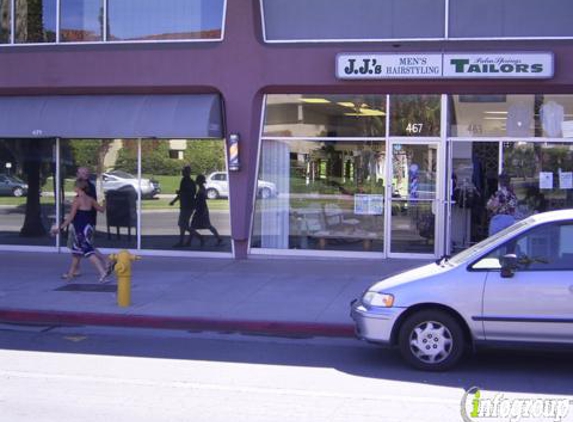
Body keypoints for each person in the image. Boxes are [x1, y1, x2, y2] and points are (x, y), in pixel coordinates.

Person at [52, 180, 109, 282]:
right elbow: (101, 209)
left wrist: (60, 228)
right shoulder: (90, 199)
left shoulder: (77, 200)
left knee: (88, 251)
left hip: (80, 229)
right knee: (76, 252)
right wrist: (105, 202)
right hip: (89, 227)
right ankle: (70, 274)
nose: (74, 189)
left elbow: (71, 217)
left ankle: (103, 272)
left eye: (74, 187)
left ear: (77, 188)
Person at [69, 167, 112, 276]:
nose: (79, 174)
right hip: (84, 222)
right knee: (80, 247)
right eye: (79, 172)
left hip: (84, 223)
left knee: (83, 247)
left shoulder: (87, 188)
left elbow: (90, 205)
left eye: (82, 173)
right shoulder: (84, 187)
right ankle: (74, 271)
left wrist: (61, 227)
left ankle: (104, 263)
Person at [187, 174, 223, 247]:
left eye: (197, 181)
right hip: (201, 209)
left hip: (201, 210)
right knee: (204, 225)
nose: (196, 182)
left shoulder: (201, 190)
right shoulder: (201, 189)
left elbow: (200, 201)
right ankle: (218, 238)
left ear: (200, 182)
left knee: (195, 226)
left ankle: (191, 241)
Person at [170, 165, 197, 247]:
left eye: (183, 171)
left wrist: (175, 199)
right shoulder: (191, 182)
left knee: (181, 224)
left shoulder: (185, 181)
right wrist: (174, 200)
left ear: (187, 172)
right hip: (189, 205)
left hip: (186, 205)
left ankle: (199, 236)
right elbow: (190, 193)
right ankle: (181, 242)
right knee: (184, 224)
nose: (182, 172)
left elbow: (183, 193)